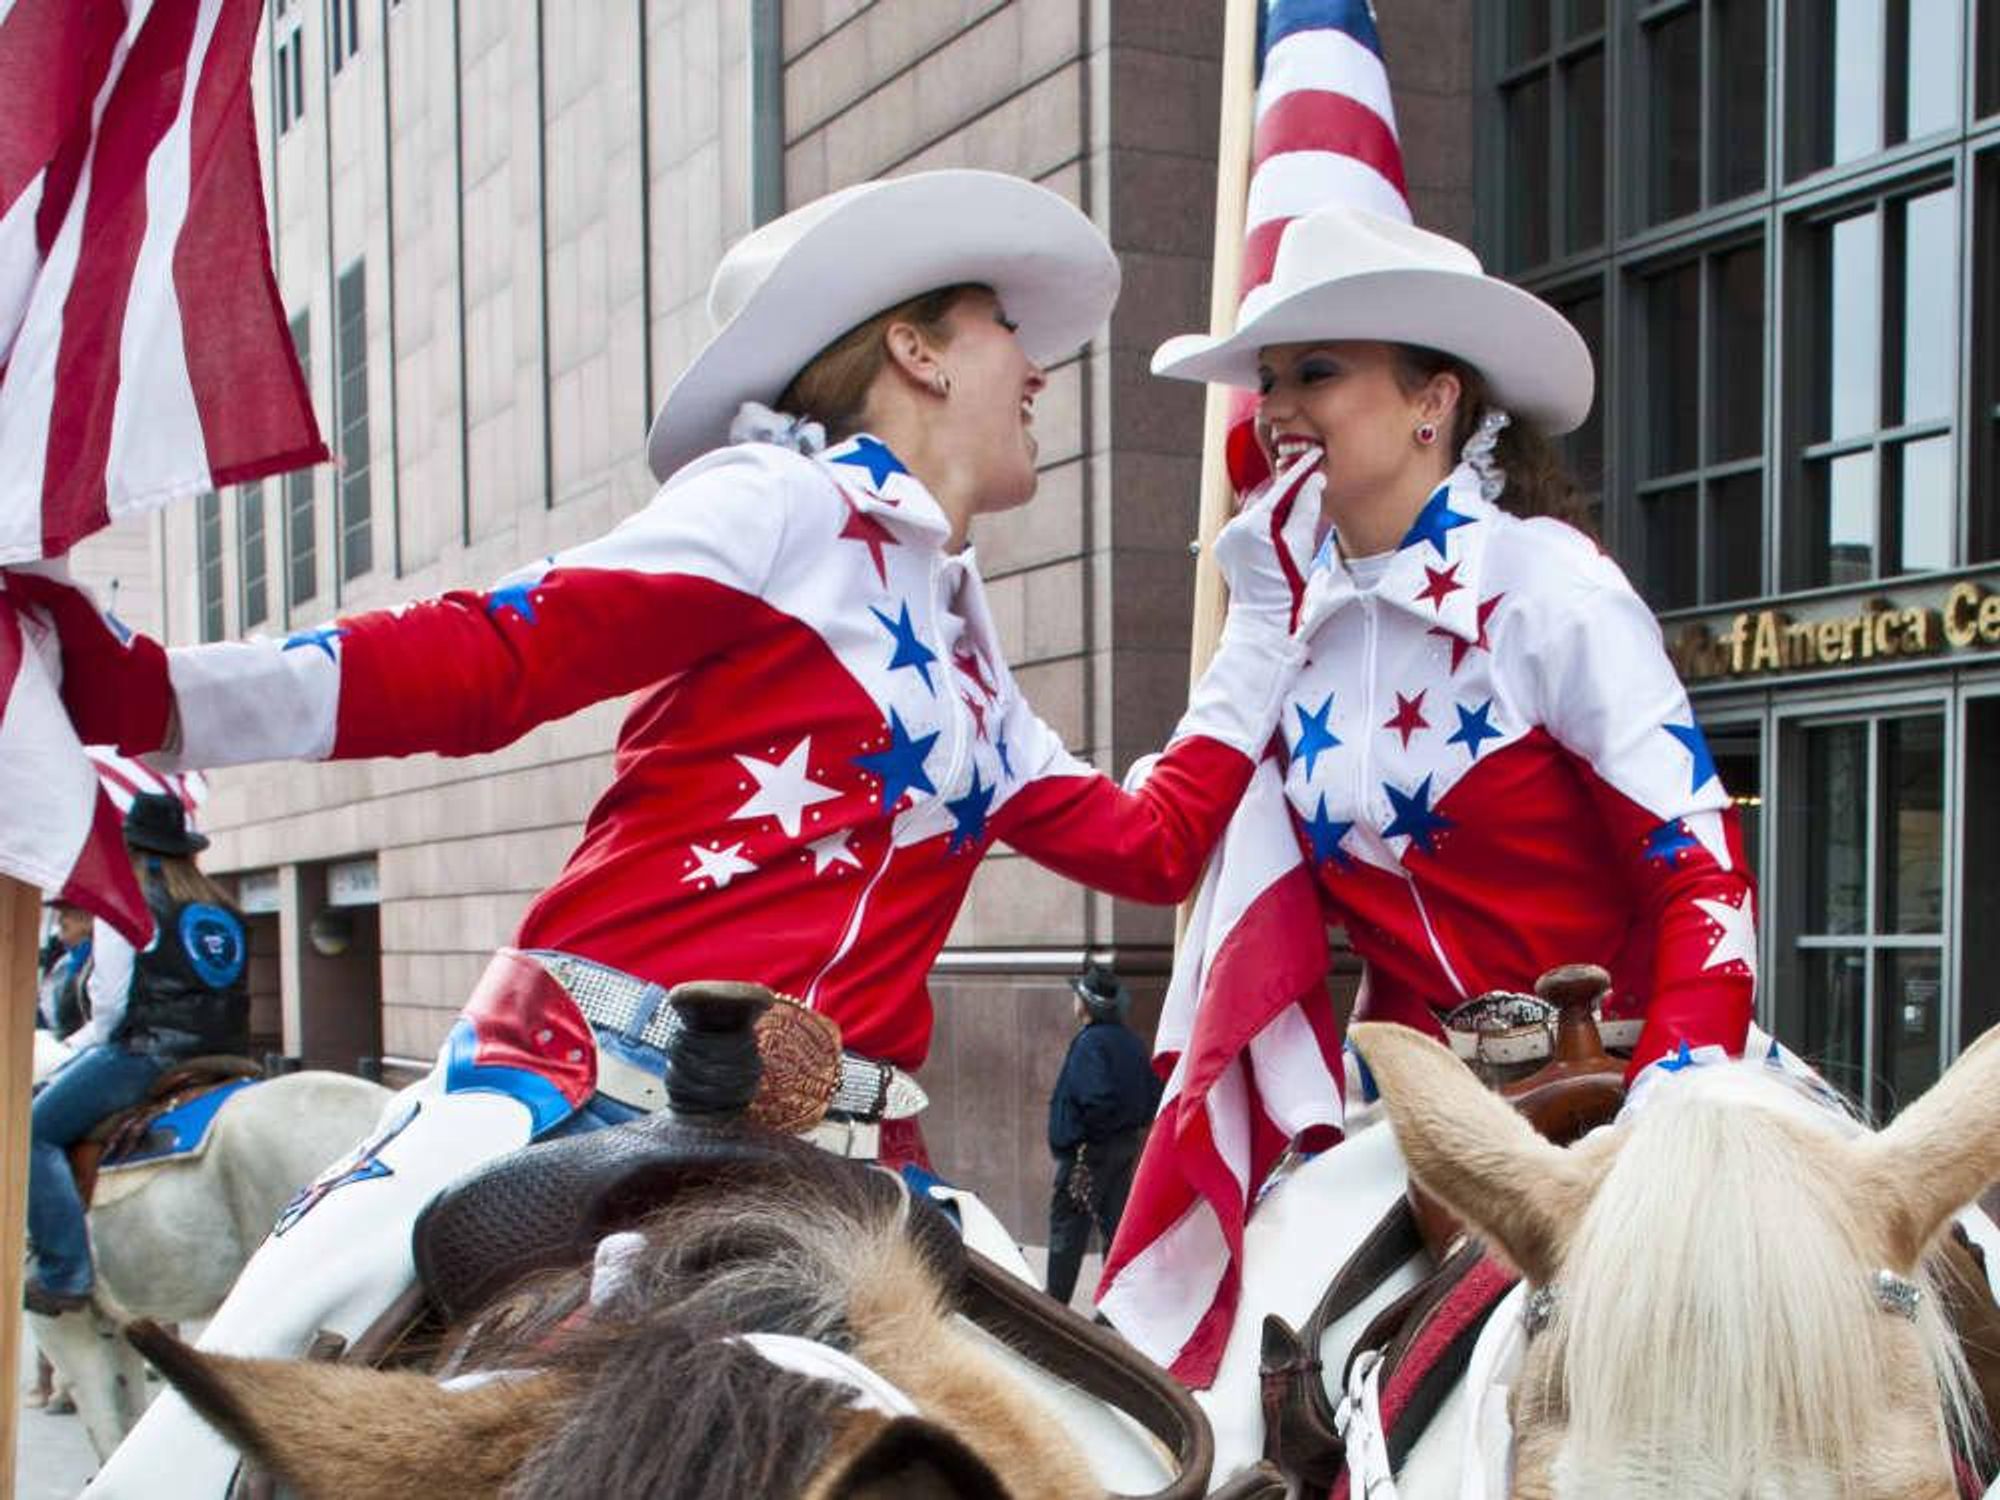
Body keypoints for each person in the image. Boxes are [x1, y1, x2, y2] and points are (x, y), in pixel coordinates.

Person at [13, 170, 1315, 1496]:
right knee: (259, 1364)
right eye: (1000, 330)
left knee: (1128, 1446)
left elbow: (1151, 847)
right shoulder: (779, 501)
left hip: (847, 1169)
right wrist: (152, 696)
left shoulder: (967, 653)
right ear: (913, 349)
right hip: (583, 1092)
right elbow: (497, 659)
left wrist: (1264, 621)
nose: (1035, 369)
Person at [1147, 203, 1757, 1079]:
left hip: (1626, 1081)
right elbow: (1168, 844)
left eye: (1314, 373)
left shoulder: (1552, 590)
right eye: (1269, 380)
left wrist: (1674, 1101)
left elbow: (1703, 880)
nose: (1274, 409)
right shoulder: (1282, 621)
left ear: (1431, 401)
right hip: (1416, 1118)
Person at [24, 794, 248, 1314]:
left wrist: (67, 1048)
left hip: (149, 1054)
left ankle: (65, 1273)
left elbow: (108, 1011)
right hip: (229, 1054)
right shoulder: (221, 905)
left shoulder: (125, 907)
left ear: (133, 850)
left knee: (34, 1133)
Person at [1044, 963, 1159, 1306]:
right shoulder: (1131, 1042)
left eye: (1077, 995)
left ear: (1086, 1005)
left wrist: (1090, 1141)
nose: (1074, 1001)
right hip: (1122, 1147)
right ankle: (1114, 1308)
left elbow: (1096, 1099)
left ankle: (1054, 1308)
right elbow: (1152, 1093)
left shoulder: (1090, 1044)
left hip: (1089, 1153)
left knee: (1069, 1227)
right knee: (1114, 1225)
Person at [35, 901, 93, 1040]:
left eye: (65, 927)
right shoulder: (67, 960)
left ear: (88, 921)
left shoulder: (96, 961)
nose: (61, 937)